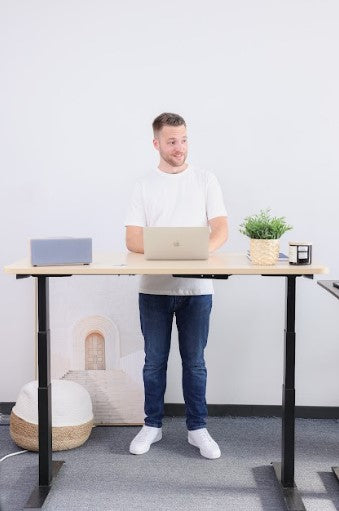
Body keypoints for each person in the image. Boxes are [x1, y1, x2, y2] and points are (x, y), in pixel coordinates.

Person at [125, 112, 228, 459]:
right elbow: (132, 238)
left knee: (195, 362)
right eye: (171, 141)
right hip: (153, 289)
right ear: (156, 143)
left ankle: (197, 429)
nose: (179, 147)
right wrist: (168, 254)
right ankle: (151, 425)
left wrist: (198, 252)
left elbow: (220, 229)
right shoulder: (143, 184)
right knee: (154, 362)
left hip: (197, 291)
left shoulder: (205, 179)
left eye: (183, 140)